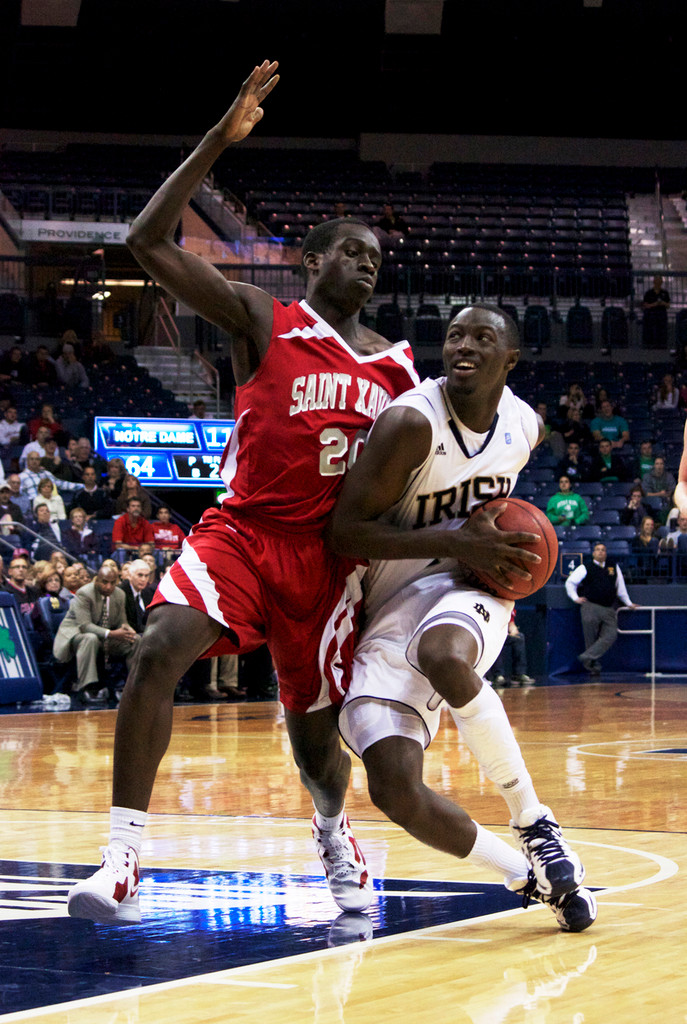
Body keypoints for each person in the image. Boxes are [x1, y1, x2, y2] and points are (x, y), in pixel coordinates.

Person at [67, 62, 419, 926]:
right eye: (350, 251)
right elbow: (146, 243)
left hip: (329, 563)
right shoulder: (265, 318)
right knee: (158, 647)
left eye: (375, 257)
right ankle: (122, 855)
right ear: (310, 261)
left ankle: (335, 836)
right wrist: (217, 143)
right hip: (245, 532)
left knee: (314, 744)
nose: (366, 265)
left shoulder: (401, 367)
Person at [329, 304, 596, 933]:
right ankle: (530, 879)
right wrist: (456, 536)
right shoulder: (410, 424)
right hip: (389, 601)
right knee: (394, 789)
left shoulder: (524, 426)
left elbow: (502, 525)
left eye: (483, 337)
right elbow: (345, 532)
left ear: (512, 359)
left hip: (465, 585)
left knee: (444, 654)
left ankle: (535, 821)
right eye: (454, 336)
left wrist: (498, 559)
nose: (464, 346)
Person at [53, 564, 138, 702]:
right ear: (96, 580)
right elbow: (85, 626)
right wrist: (111, 633)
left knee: (135, 640)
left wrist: (128, 630)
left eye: (112, 583)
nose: (109, 586)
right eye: (105, 582)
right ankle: (88, 688)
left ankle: (134, 685)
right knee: (90, 638)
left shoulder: (120, 594)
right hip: (75, 635)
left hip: (104, 636)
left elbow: (122, 622)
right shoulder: (84, 593)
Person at [565, 541, 638, 676]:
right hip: (590, 606)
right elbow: (570, 582)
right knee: (590, 638)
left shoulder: (613, 567)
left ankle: (586, 656)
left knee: (611, 634)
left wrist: (628, 603)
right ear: (593, 553)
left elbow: (620, 587)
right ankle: (593, 667)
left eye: (603, 550)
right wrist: (575, 598)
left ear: (606, 553)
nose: (600, 552)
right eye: (597, 549)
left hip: (608, 608)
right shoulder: (585, 567)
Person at [490, 610, 535, 688]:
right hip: (492, 634)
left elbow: (511, 624)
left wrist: (513, 631)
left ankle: (519, 674)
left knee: (519, 637)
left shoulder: (509, 606)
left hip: (504, 634)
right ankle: (498, 675)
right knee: (497, 640)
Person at [119, 558, 155, 635]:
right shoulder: (122, 592)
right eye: (140, 575)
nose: (143, 579)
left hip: (145, 632)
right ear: (129, 575)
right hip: (129, 633)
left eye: (146, 576)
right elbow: (127, 622)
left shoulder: (148, 592)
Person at [642, 455, 676, 520]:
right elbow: (647, 494)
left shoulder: (669, 476)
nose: (659, 466)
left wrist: (665, 494)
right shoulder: (647, 476)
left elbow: (671, 491)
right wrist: (660, 494)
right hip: (650, 503)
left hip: (666, 503)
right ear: (654, 465)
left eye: (661, 464)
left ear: (664, 465)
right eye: (657, 464)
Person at [642, 274, 670, 349]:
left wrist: (662, 303)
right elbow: (645, 305)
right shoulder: (649, 293)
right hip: (651, 317)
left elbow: (668, 305)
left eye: (659, 280)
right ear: (654, 281)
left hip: (661, 317)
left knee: (661, 334)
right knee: (651, 334)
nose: (658, 282)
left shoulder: (665, 293)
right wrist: (654, 304)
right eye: (656, 280)